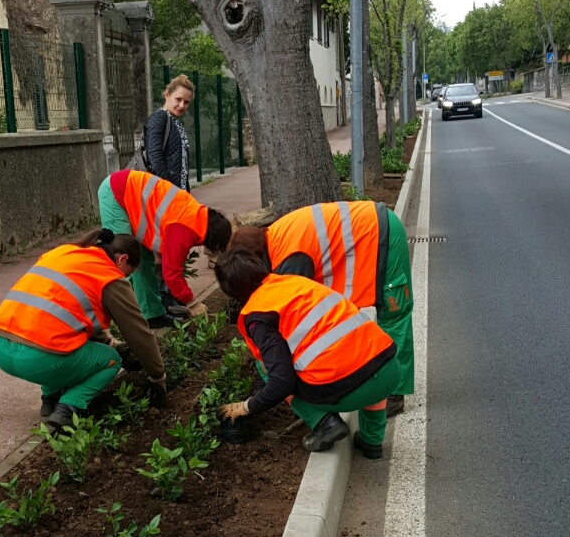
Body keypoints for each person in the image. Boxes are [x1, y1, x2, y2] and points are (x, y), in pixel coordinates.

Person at [227, 198, 413, 417]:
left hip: (381, 234)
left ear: (256, 258)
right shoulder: (275, 239)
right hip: (370, 231)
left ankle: (395, 393)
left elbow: (298, 320)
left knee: (394, 312)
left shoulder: (289, 259)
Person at [214, 250, 401, 457]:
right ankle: (371, 442)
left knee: (265, 367)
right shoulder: (293, 282)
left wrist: (247, 407)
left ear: (232, 292)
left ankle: (324, 423)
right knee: (369, 364)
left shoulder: (259, 315)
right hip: (389, 369)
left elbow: (281, 383)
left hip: (351, 387)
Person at [0, 228, 167, 432]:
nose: (125, 279)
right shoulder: (109, 275)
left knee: (59, 336)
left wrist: (112, 342)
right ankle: (67, 410)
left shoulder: (64, 253)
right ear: (122, 259)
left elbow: (73, 315)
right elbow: (139, 333)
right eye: (128, 273)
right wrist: (157, 376)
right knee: (111, 360)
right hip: (37, 359)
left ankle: (50, 400)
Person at [98, 167, 232, 327]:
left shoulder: (196, 216)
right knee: (123, 259)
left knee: (141, 259)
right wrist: (192, 303)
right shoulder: (184, 230)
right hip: (116, 193)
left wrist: (161, 256)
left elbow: (162, 224)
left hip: (129, 190)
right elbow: (172, 274)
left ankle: (152, 315)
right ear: (213, 240)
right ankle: (121, 320)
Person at [143, 74, 193, 188]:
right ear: (167, 95)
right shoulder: (159, 118)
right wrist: (167, 189)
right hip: (164, 192)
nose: (182, 105)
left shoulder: (175, 122)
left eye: (186, 102)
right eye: (178, 99)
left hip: (177, 190)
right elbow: (155, 157)